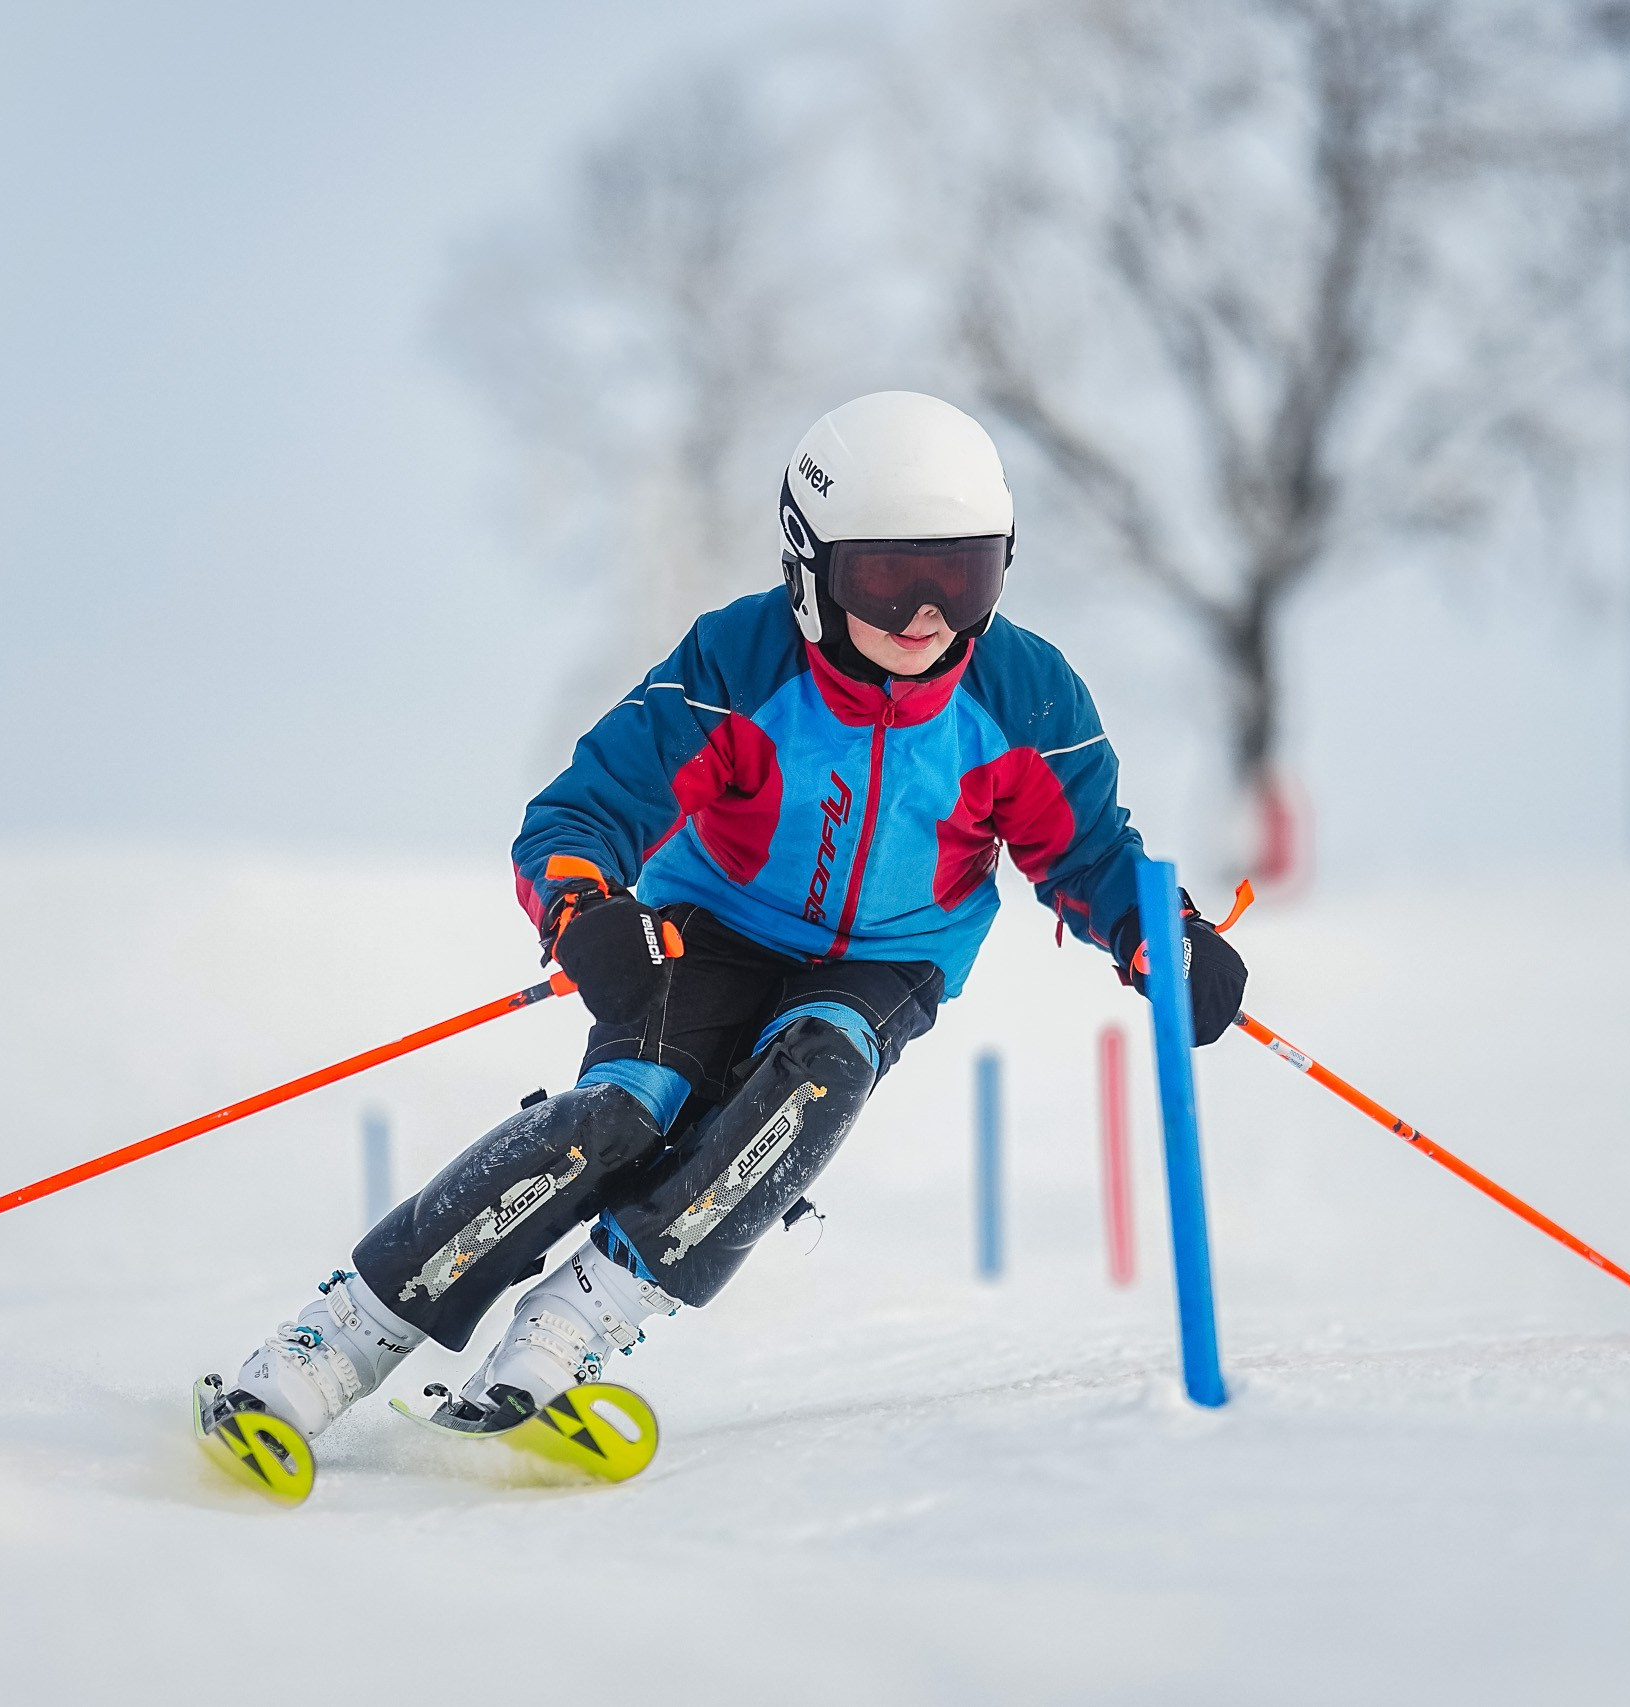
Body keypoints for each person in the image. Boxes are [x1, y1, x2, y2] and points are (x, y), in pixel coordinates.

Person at [205, 391, 1247, 1453]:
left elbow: (1087, 849)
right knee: (617, 1118)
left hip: (888, 957)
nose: (926, 613)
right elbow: (589, 808)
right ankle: (326, 1348)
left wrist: (1163, 935)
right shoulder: (740, 667)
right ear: (809, 565)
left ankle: (567, 1334)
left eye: (962, 572)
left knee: (814, 1073)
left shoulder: (1025, 699)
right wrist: (585, 908)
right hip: (707, 928)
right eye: (887, 577)